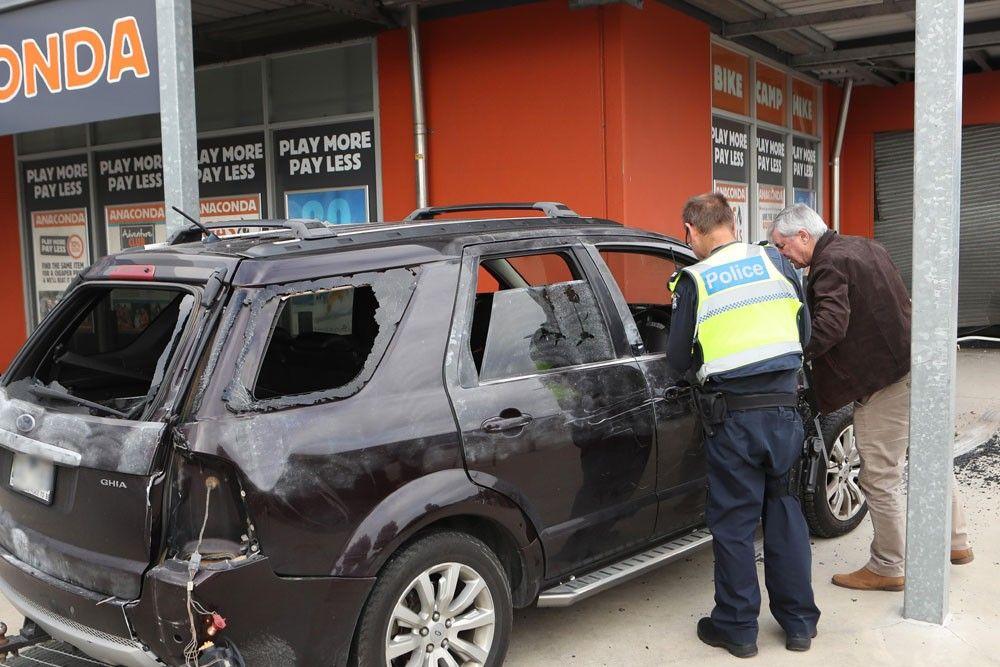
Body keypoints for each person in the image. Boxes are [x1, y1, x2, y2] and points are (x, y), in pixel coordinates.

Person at [768, 203, 973, 593]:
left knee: (879, 477)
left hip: (888, 382)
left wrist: (789, 352)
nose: (783, 254)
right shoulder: (866, 247)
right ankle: (955, 543)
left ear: (804, 237)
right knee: (930, 460)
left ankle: (888, 565)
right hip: (922, 367)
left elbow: (830, 324)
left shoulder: (828, 266)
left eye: (782, 245)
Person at [667, 193, 820, 658]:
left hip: (733, 419)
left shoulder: (694, 279)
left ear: (690, 232)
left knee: (734, 523)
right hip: (785, 413)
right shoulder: (777, 263)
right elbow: (805, 334)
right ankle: (798, 625)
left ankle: (737, 629)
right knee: (786, 511)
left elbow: (677, 359)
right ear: (733, 222)